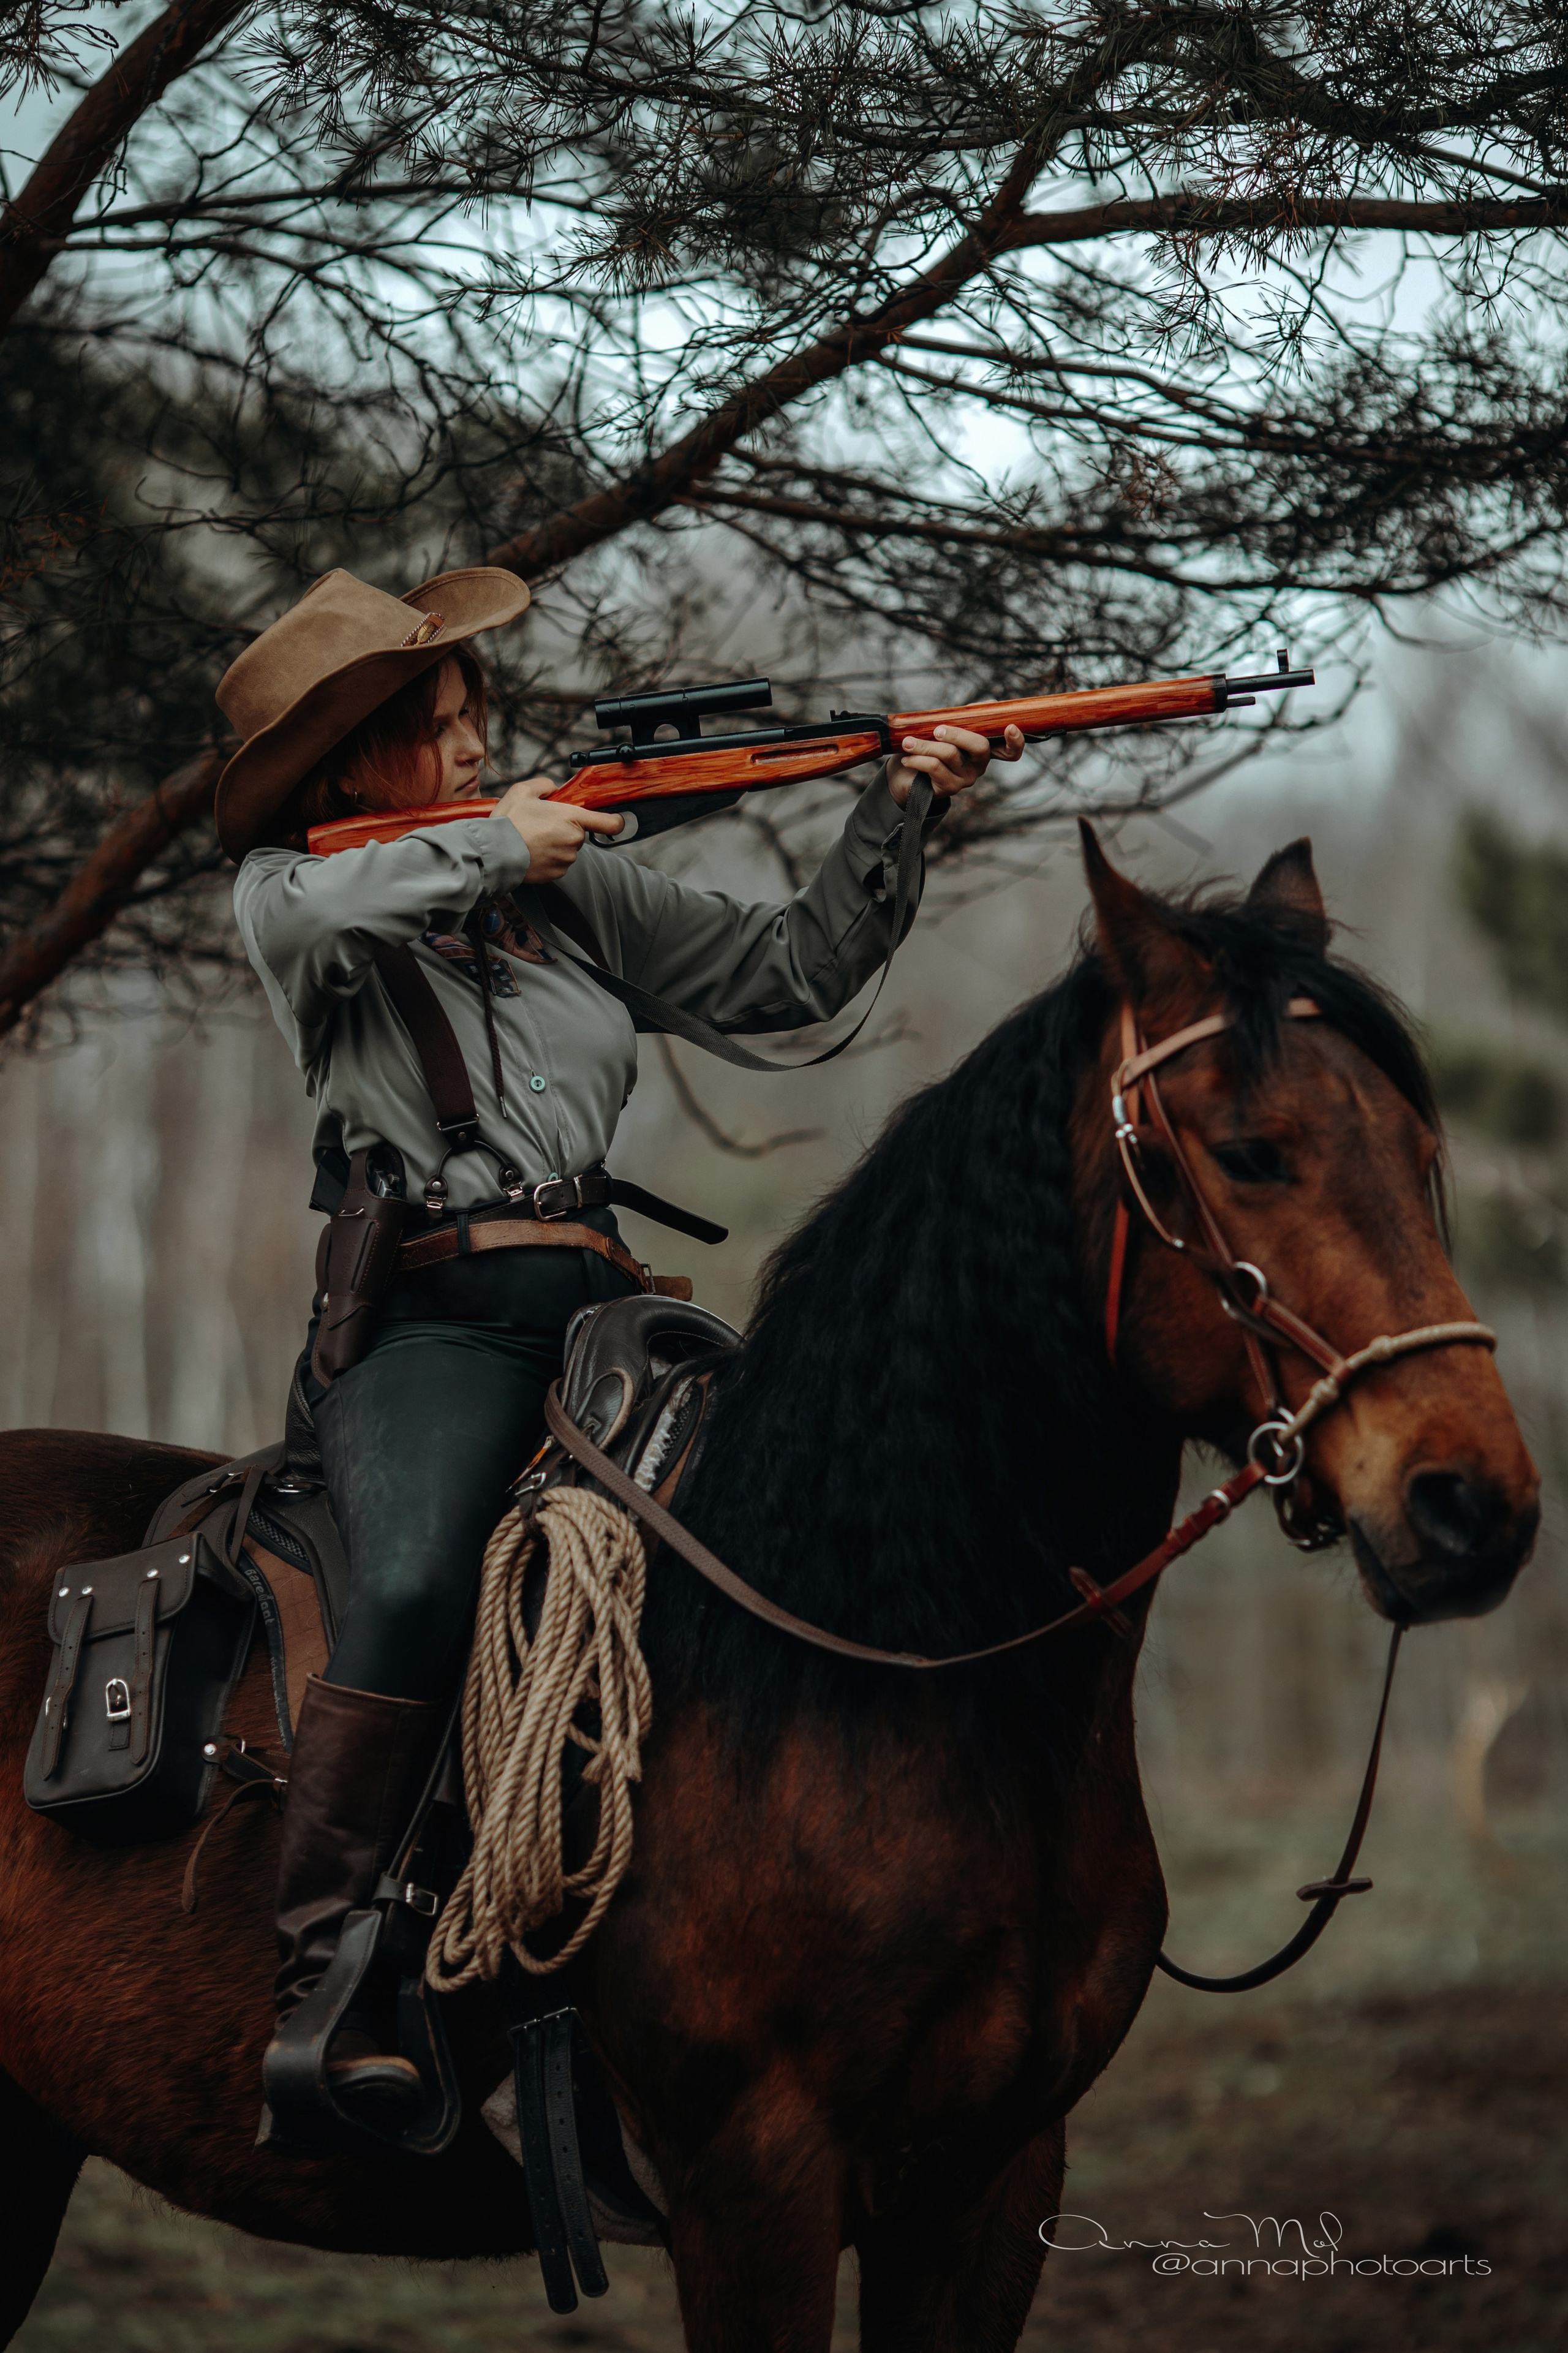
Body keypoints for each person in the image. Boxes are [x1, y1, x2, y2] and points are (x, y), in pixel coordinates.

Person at [218, 562, 1020, 2132]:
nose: (469, 747)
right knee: (407, 1582)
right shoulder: (293, 903)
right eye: (435, 729)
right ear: (343, 771)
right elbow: (317, 900)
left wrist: (900, 806)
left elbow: (788, 974)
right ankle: (329, 1975)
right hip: (435, 1321)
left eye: (471, 720)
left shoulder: (560, 891)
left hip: (602, 1313)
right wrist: (498, 833)